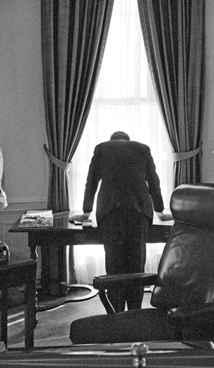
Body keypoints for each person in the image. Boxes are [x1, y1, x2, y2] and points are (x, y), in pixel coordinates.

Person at [70, 131, 170, 313]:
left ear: (112, 140)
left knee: (114, 264)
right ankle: (135, 312)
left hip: (110, 211)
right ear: (127, 140)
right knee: (136, 264)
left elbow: (91, 182)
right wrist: (160, 210)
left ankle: (116, 313)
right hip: (138, 211)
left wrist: (86, 212)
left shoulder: (102, 148)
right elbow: (154, 182)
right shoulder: (143, 149)